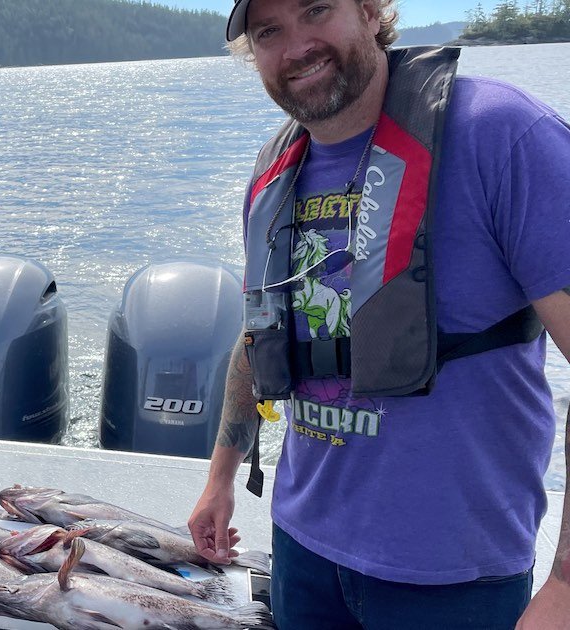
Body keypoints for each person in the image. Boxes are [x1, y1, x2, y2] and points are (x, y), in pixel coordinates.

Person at [188, 0, 570, 627]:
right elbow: (259, 332)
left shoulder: (502, 134)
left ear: (370, 10)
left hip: (453, 575)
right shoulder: (272, 174)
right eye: (268, 32)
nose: (296, 46)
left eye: (316, 10)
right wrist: (221, 478)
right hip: (303, 551)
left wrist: (565, 587)